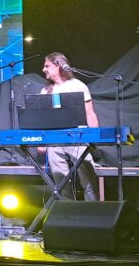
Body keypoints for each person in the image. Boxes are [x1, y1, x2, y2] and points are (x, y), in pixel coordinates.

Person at [39, 52, 100, 201]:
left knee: (89, 181)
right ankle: (68, 210)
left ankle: (94, 211)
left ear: (58, 65)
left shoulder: (77, 85)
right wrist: (41, 142)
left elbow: (90, 113)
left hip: (77, 138)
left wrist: (95, 137)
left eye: (47, 65)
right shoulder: (45, 91)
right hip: (55, 141)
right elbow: (43, 119)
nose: (44, 69)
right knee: (61, 184)